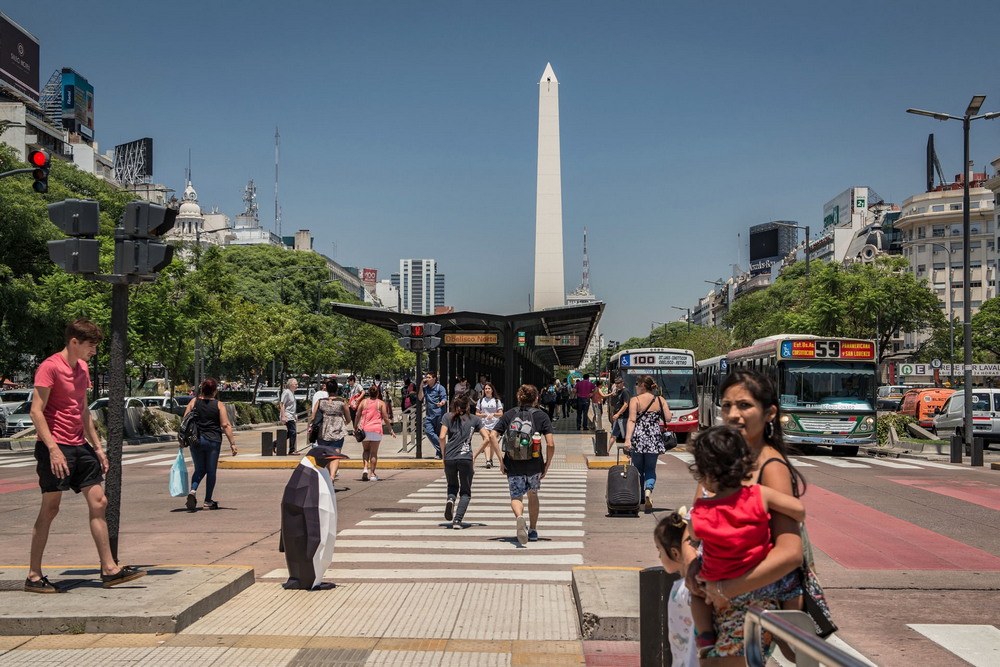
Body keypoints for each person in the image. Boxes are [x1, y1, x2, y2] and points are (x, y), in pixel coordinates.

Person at [685, 369, 808, 665]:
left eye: (744, 405)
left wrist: (723, 589)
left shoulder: (770, 467)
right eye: (727, 405)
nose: (733, 414)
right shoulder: (720, 459)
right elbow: (692, 531)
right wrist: (693, 572)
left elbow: (790, 553)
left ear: (769, 413)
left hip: (746, 602)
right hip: (710, 595)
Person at [26, 319, 145, 592]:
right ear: (74, 342)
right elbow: (36, 411)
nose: (93, 351)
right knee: (51, 508)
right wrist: (53, 449)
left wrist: (98, 447)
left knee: (99, 501)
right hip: (54, 446)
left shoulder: (82, 368)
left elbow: (82, 411)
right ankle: (33, 575)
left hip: (80, 445)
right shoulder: (50, 367)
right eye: (91, 345)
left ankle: (109, 569)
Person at [488, 385, 555, 545]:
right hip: (534, 463)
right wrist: (547, 464)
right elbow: (551, 444)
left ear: (519, 397)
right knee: (533, 495)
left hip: (513, 462)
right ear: (536, 398)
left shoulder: (509, 414)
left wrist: (500, 459)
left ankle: (519, 516)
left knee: (516, 496)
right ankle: (532, 530)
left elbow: (492, 435)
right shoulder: (542, 416)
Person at [183, 377, 238, 510]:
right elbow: (225, 424)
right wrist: (232, 443)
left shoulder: (193, 402)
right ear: (215, 391)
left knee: (199, 469)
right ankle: (208, 500)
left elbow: (185, 421)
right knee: (211, 470)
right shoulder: (219, 405)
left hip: (196, 440)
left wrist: (183, 440)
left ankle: (193, 491)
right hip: (213, 441)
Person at [654, 509, 699, 667]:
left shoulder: (685, 588)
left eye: (659, 550)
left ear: (674, 552)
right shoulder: (689, 586)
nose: (659, 557)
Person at [439, 395, 491, 529]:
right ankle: (457, 520)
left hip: (450, 457)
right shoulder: (474, 419)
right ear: (468, 406)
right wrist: (475, 455)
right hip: (466, 457)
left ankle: (450, 499)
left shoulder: (446, 417)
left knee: (452, 485)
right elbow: (487, 438)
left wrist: (444, 454)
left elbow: (442, 436)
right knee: (465, 491)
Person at [623, 375, 672, 511]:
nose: (636, 387)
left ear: (642, 386)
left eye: (637, 384)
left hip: (639, 437)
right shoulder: (660, 399)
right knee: (650, 468)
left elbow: (632, 420)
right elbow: (667, 417)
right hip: (654, 437)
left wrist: (627, 439)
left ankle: (640, 498)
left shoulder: (635, 400)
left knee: (638, 469)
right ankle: (648, 491)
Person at [354, 385, 395, 481]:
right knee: (373, 453)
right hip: (376, 430)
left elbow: (358, 415)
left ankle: (365, 469)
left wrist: (355, 427)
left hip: (365, 430)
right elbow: (385, 417)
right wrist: (390, 430)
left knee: (365, 450)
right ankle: (372, 473)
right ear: (378, 393)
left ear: (369, 392)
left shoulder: (363, 402)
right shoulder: (380, 403)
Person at [309, 379, 348, 480]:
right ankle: (332, 475)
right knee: (335, 454)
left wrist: (310, 426)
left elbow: (313, 417)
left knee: (325, 455)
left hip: (323, 432)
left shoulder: (320, 402)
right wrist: (341, 422)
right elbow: (348, 419)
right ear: (337, 389)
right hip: (338, 431)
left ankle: (327, 476)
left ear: (327, 389)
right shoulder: (342, 402)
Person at [472, 382, 504, 468]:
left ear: (492, 390)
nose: (487, 390)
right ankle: (488, 460)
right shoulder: (481, 401)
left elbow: (501, 413)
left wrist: (494, 414)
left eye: (489, 388)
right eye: (485, 389)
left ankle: (490, 459)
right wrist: (482, 415)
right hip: (484, 424)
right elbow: (477, 413)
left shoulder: (497, 401)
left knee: (493, 442)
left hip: (495, 424)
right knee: (487, 440)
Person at [418, 372, 448, 458]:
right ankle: (443, 449)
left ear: (434, 378)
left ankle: (439, 453)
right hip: (429, 415)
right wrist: (421, 386)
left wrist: (442, 403)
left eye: (429, 377)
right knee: (428, 431)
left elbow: (444, 398)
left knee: (439, 434)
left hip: (439, 414)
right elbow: (420, 398)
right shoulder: (425, 388)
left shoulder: (440, 388)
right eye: (426, 377)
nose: (427, 379)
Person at [280, 378, 299, 455]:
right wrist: (283, 416)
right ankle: (291, 450)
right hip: (287, 415)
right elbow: (282, 404)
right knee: (293, 432)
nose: (297, 386)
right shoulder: (286, 392)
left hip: (291, 415)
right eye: (295, 384)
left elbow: (291, 406)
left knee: (290, 433)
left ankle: (274, 444)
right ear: (290, 385)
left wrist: (295, 415)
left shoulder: (292, 393)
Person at [608, 376, 630, 443]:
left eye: (618, 383)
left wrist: (618, 414)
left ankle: (629, 451)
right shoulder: (618, 391)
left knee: (626, 436)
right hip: (618, 417)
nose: (617, 385)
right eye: (616, 383)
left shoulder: (625, 391)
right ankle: (607, 451)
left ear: (622, 383)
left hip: (623, 417)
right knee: (613, 435)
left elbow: (626, 404)